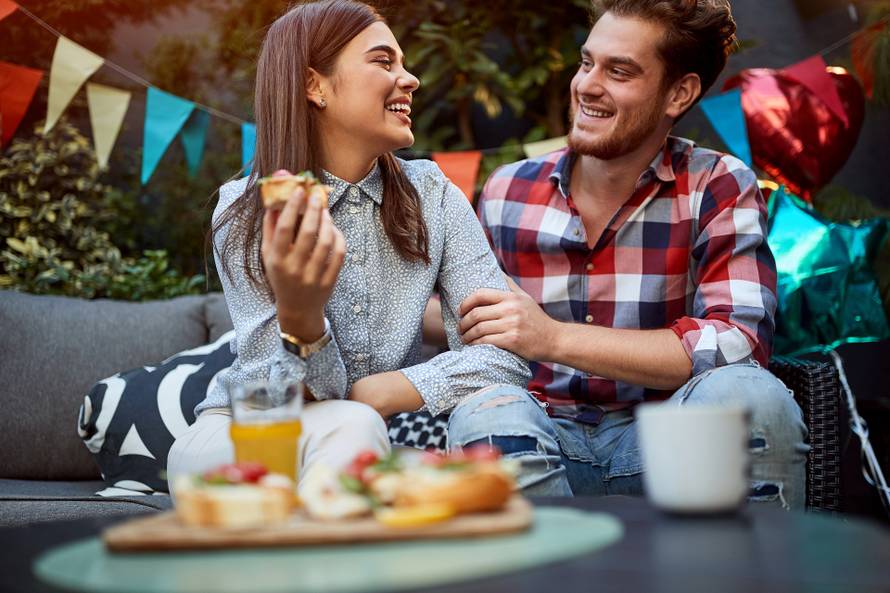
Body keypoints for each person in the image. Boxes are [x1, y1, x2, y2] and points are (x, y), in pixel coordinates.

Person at [448, 0, 809, 508]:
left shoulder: (716, 184)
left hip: (673, 443)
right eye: (586, 61)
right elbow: (463, 318)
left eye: (619, 71)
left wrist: (553, 337)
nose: (587, 85)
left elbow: (739, 344)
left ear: (678, 93)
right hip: (541, 436)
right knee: (483, 411)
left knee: (753, 397)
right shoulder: (508, 189)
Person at [167, 0, 531, 490]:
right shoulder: (248, 210)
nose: (410, 79)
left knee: (367, 434)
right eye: (384, 62)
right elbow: (274, 393)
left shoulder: (435, 195)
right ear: (314, 85)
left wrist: (386, 390)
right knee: (357, 430)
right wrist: (302, 320)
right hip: (240, 434)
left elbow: (504, 356)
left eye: (403, 63)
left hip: (360, 438)